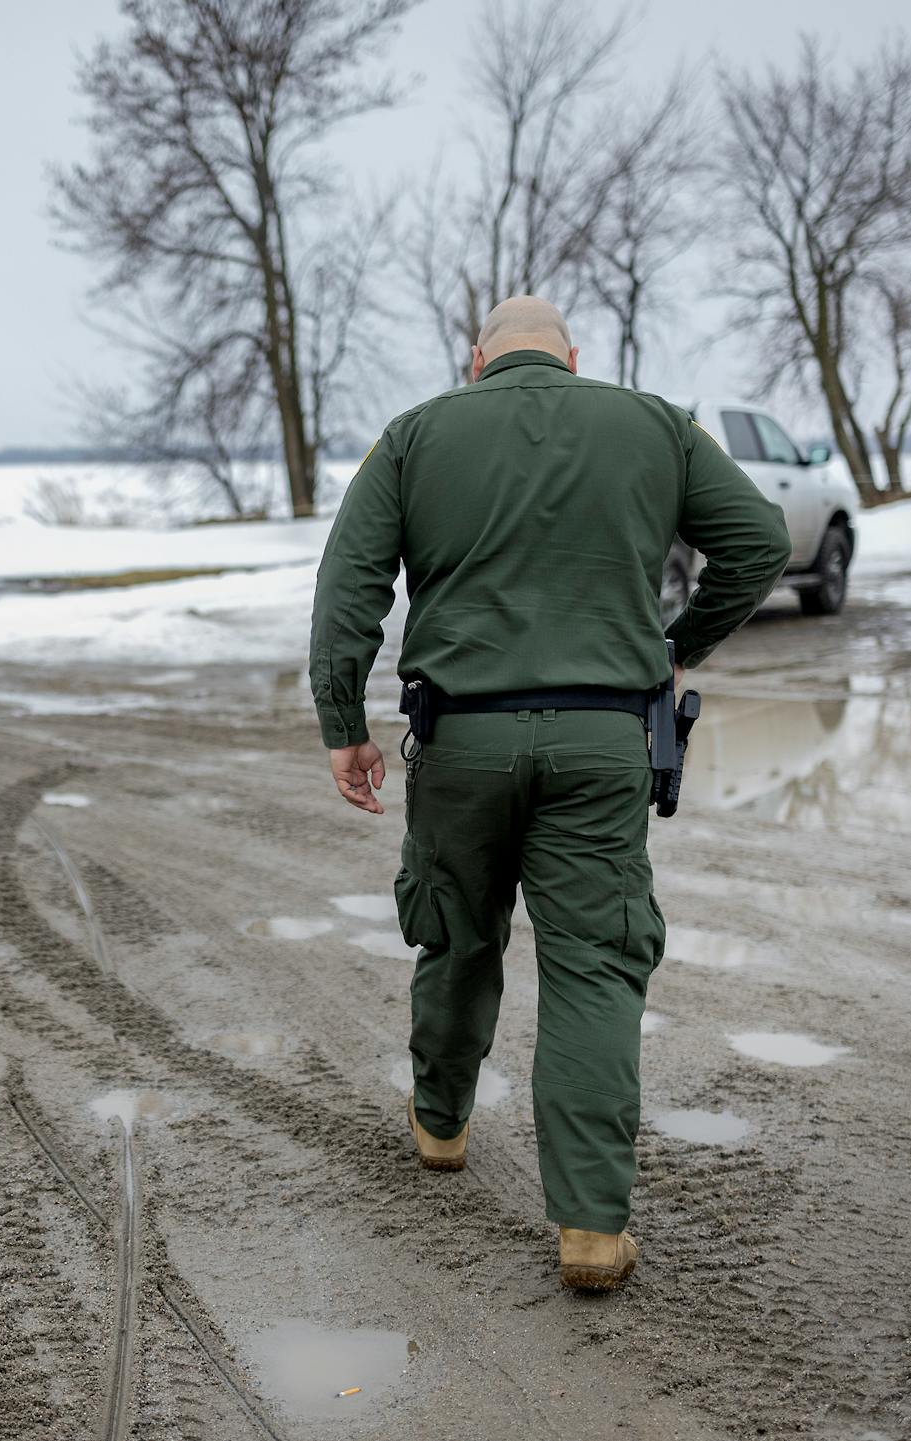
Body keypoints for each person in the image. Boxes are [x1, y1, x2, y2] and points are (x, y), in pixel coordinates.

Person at [308, 296, 790, 1291]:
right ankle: (590, 1229)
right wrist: (676, 646)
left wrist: (343, 723)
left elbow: (350, 581)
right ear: (571, 358)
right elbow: (759, 539)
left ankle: (441, 1124)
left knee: (456, 929)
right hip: (602, 741)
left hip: (460, 740)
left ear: (477, 360)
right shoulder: (656, 424)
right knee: (594, 967)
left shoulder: (415, 435)